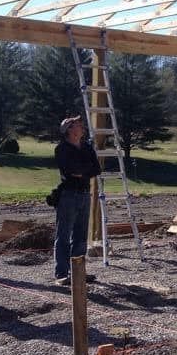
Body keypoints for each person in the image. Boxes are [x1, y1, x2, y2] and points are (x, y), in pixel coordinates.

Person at [53, 116, 101, 285]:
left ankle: (78, 272)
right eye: (78, 125)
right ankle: (61, 274)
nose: (82, 127)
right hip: (68, 195)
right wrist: (85, 169)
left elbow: (97, 169)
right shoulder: (62, 149)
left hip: (84, 194)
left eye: (81, 125)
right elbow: (70, 171)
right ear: (69, 130)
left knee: (81, 236)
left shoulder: (87, 147)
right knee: (64, 235)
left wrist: (83, 171)